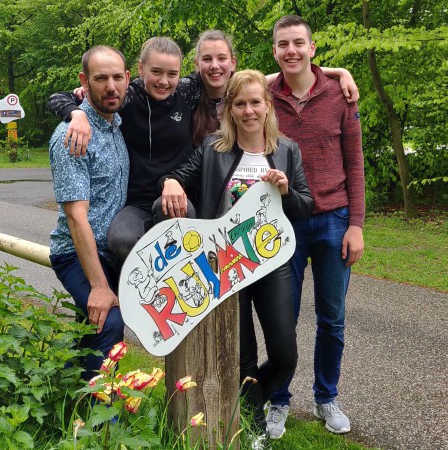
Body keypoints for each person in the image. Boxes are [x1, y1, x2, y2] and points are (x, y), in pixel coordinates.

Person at [159, 70, 315, 449]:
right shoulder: (214, 149)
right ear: (230, 108)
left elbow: (306, 206)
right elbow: (177, 176)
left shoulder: (286, 150)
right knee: (242, 354)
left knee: (285, 353)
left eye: (255, 102)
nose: (249, 111)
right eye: (240, 103)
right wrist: (171, 182)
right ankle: (255, 425)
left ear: (267, 105)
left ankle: (253, 397)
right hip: (225, 265)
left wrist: (286, 190)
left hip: (271, 263)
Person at [265, 15, 365, 438]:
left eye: (298, 43)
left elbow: (355, 163)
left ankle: (326, 398)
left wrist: (356, 224)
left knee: (333, 319)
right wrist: (343, 69)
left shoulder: (339, 96)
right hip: (283, 220)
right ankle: (278, 401)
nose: (291, 51)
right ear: (275, 51)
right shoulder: (265, 96)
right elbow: (236, 83)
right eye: (283, 44)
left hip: (334, 219)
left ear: (313, 48)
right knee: (281, 318)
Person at [47, 37, 200, 269]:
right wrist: (76, 114)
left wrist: (277, 78)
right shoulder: (126, 96)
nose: (164, 81)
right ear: (139, 69)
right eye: (156, 71)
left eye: (172, 73)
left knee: (176, 216)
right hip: (135, 202)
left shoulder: (186, 91)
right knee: (120, 240)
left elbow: (232, 80)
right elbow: (58, 98)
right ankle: (141, 289)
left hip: (175, 195)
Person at [49, 45, 130, 381]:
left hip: (108, 251)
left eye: (116, 78)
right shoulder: (73, 136)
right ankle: (100, 427)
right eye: (100, 78)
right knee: (109, 323)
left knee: (90, 334)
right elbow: (76, 218)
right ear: (84, 81)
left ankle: (63, 396)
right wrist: (99, 286)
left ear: (127, 79)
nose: (110, 86)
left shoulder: (116, 124)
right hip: (76, 252)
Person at [191, 30, 359, 147]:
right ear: (197, 64)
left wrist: (340, 72)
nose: (215, 66)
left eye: (221, 58)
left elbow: (290, 72)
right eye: (207, 59)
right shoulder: (189, 93)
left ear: (233, 62)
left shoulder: (240, 90)